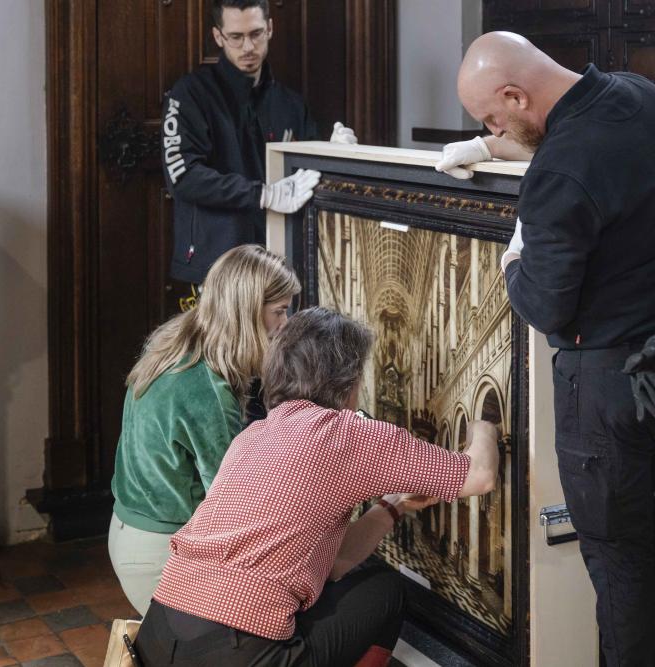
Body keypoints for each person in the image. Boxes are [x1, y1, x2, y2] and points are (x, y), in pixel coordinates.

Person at [437, 32, 655, 666]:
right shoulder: (645, 100)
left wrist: (513, 258)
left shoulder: (558, 174)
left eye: (492, 118)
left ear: (515, 94)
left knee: (615, 561)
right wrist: (489, 146)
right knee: (635, 539)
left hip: (608, 391)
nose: (492, 128)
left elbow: (542, 304)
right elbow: (584, 157)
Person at [134, 307, 501, 666]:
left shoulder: (254, 435)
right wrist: (484, 425)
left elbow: (334, 562)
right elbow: (480, 475)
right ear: (348, 378)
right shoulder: (347, 433)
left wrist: (393, 506)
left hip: (159, 634)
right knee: (384, 591)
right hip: (234, 653)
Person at [108, 244, 301, 617]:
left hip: (128, 531)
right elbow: (228, 502)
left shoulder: (177, 338)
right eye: (279, 311)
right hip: (158, 551)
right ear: (247, 310)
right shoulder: (207, 389)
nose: (285, 324)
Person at [163, 0, 356, 290]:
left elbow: (305, 176)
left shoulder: (290, 103)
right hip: (215, 262)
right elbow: (185, 178)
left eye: (255, 34)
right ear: (218, 37)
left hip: (278, 256)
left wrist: (333, 154)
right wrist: (263, 194)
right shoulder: (190, 94)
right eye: (236, 37)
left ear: (270, 28)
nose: (248, 47)